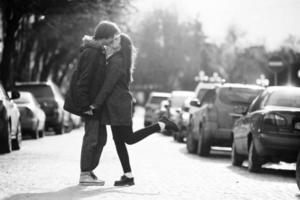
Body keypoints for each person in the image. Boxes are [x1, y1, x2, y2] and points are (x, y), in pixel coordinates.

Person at [84, 32, 178, 186]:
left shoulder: (117, 61)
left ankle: (161, 124)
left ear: (121, 46)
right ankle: (128, 176)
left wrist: (95, 105)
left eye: (116, 39)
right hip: (115, 106)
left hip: (119, 106)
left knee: (128, 138)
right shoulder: (117, 59)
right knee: (118, 141)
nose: (112, 40)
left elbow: (107, 86)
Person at [64, 21, 121, 186]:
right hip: (89, 105)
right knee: (92, 138)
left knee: (101, 138)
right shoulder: (92, 52)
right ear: (106, 36)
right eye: (113, 36)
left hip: (95, 105)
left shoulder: (99, 51)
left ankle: (88, 170)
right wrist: (85, 106)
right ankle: (84, 173)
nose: (114, 40)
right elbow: (83, 82)